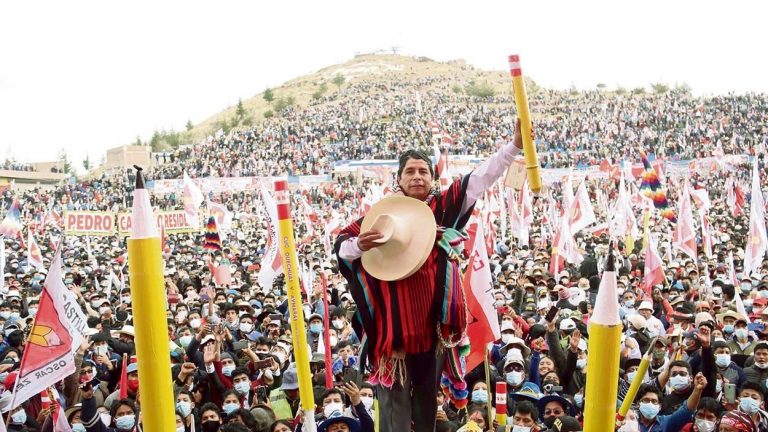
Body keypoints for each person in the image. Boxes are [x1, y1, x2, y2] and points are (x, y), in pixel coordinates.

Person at [335, 120, 524, 432]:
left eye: (423, 171)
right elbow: (342, 247)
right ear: (398, 178)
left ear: (433, 178)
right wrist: (358, 245)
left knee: (426, 408)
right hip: (391, 335)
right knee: (394, 411)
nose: (417, 176)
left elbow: (479, 179)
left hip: (432, 334)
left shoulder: (441, 208)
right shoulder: (380, 215)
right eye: (410, 171)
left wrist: (513, 146)